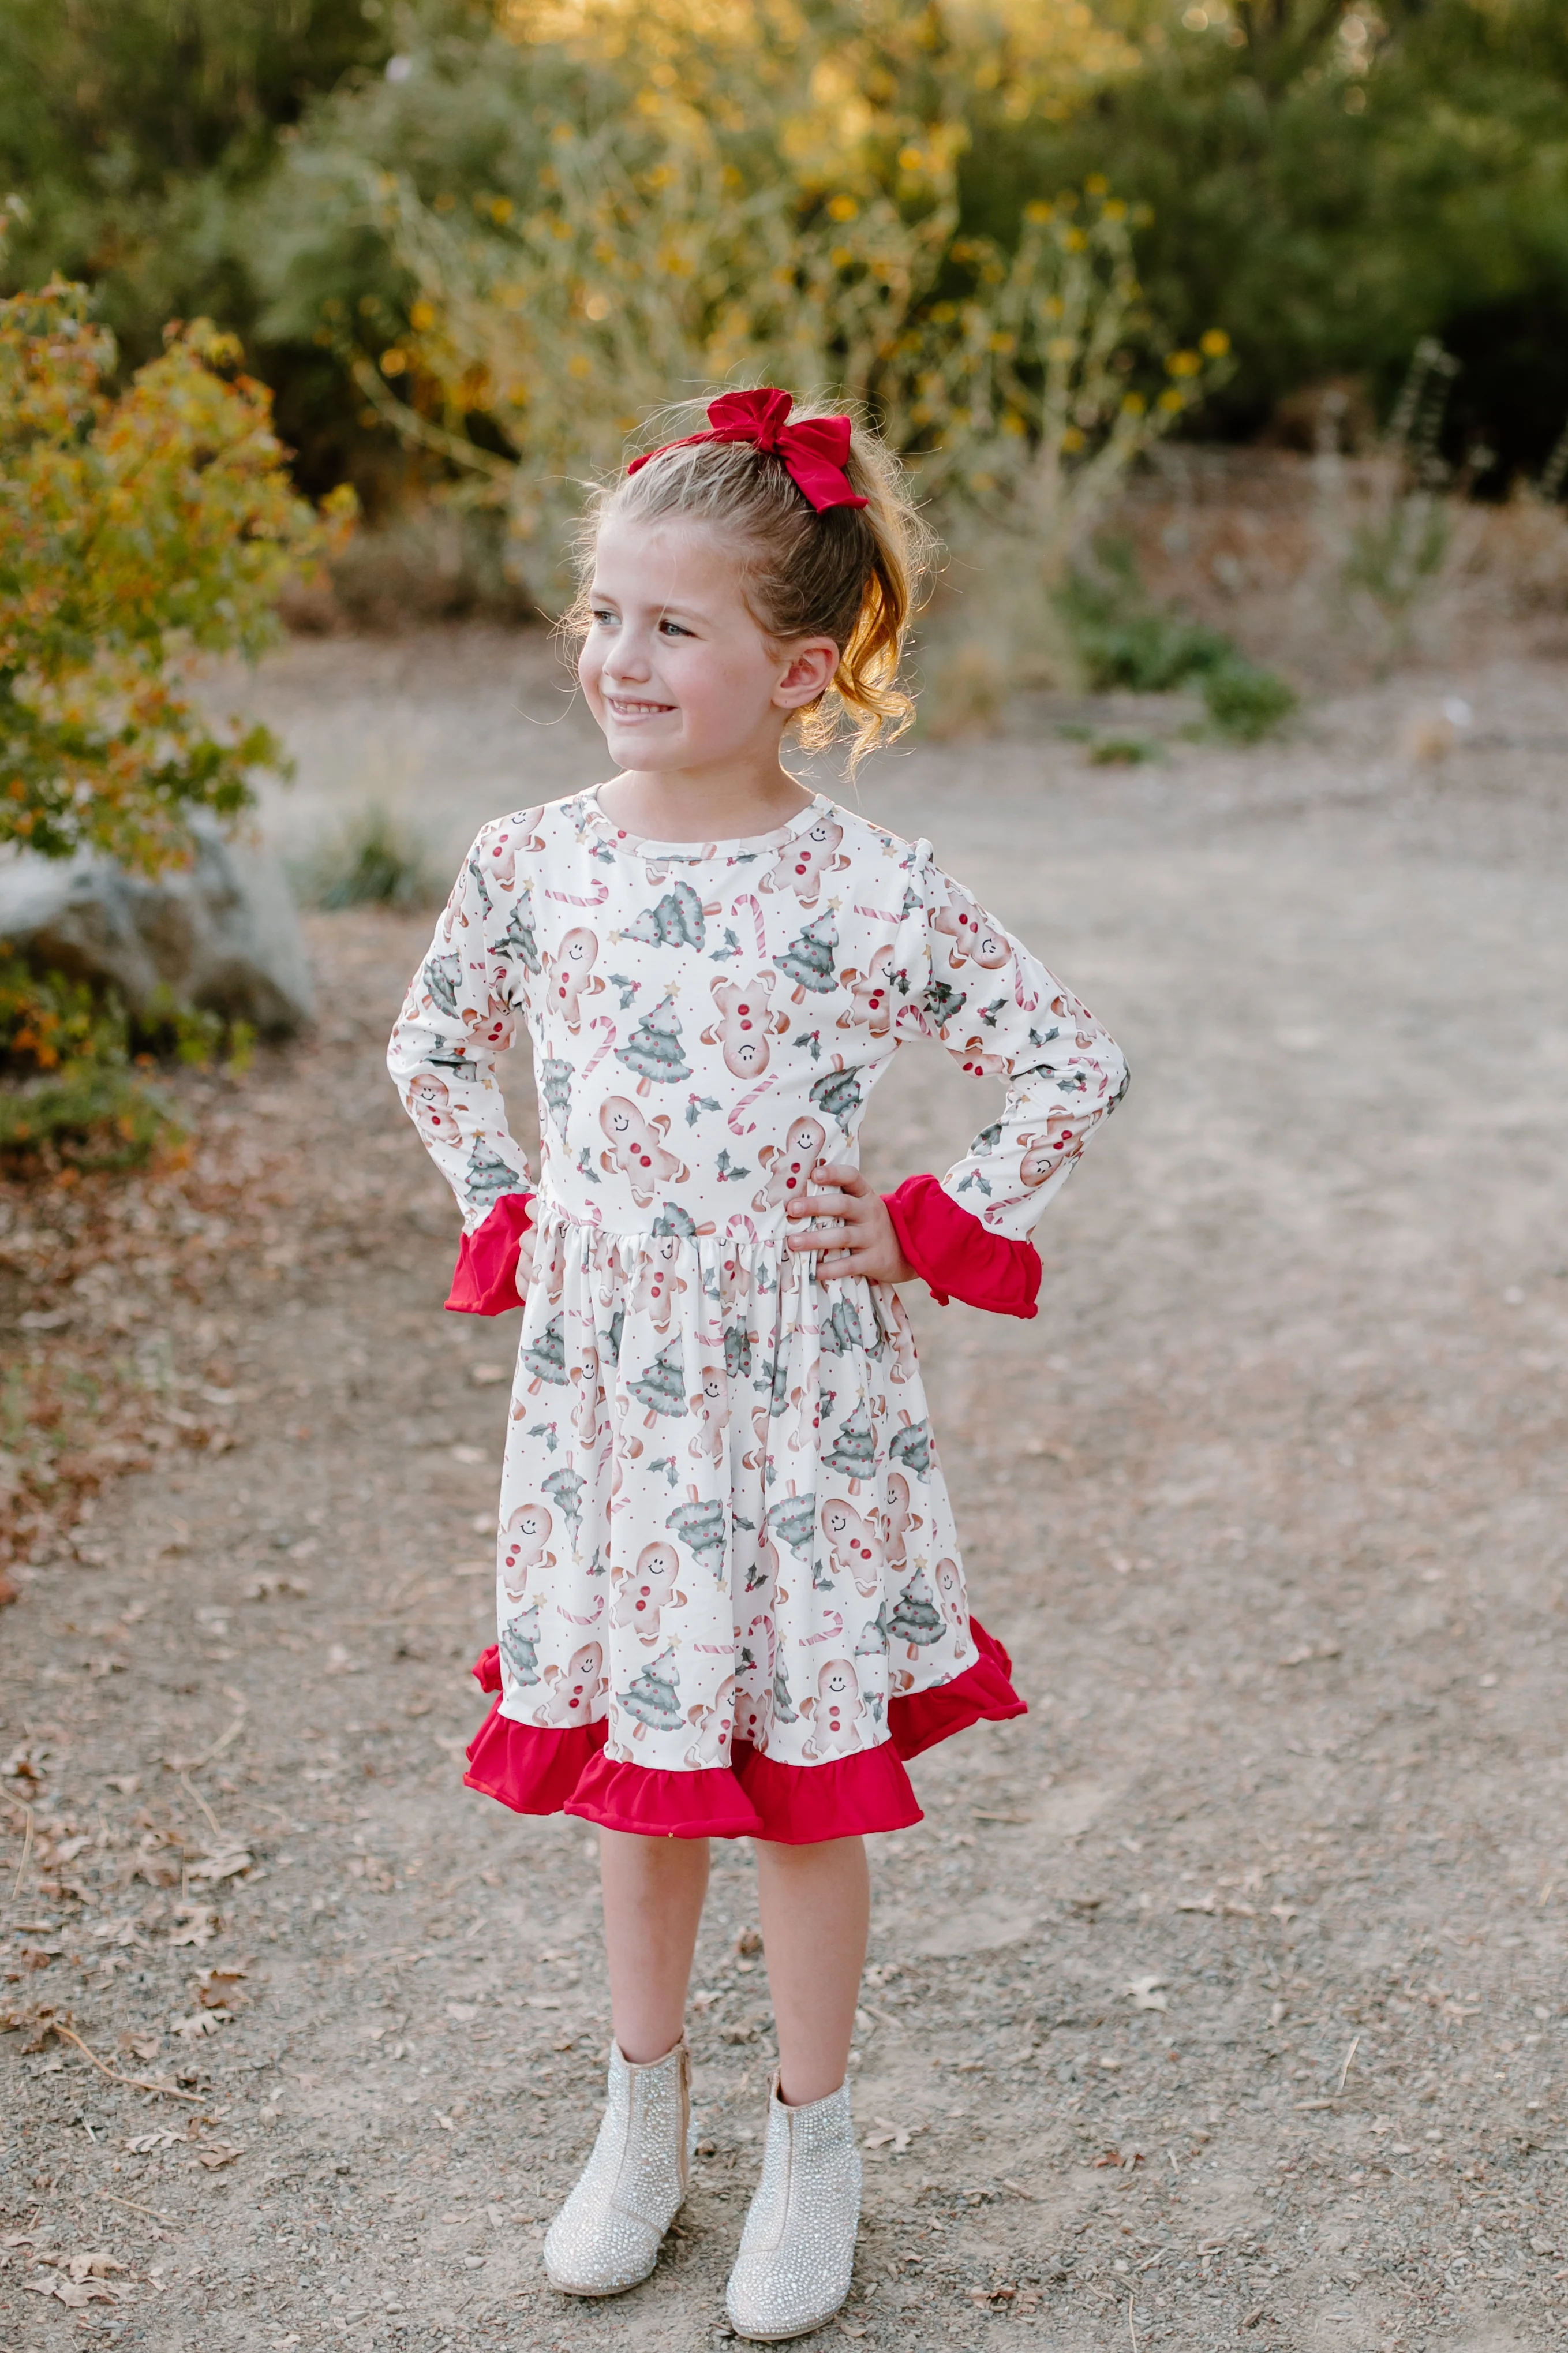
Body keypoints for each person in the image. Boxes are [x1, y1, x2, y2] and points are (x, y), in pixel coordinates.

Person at [388, 385, 1128, 2340]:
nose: (616, 657)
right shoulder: (529, 861)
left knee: (798, 1776)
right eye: (602, 615)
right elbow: (433, 1041)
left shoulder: (868, 888)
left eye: (670, 626)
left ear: (798, 669)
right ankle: (643, 2119)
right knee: (646, 1765)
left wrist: (914, 1217)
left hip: (800, 1402)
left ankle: (815, 2135)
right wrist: (510, 1199)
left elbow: (1068, 1056)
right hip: (613, 1401)